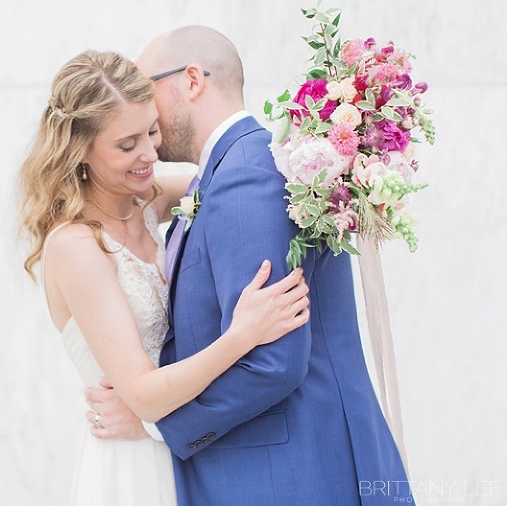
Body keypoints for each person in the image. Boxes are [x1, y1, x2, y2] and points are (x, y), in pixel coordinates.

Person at [86, 26, 415, 505]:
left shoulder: (246, 178)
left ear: (191, 80)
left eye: (144, 85)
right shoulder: (228, 171)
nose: (141, 107)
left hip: (291, 478)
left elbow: (271, 362)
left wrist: (155, 422)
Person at [18, 49, 311, 506]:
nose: (150, 154)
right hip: (130, 460)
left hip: (180, 450)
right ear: (80, 151)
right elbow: (143, 395)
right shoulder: (77, 246)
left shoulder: (148, 202)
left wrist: (333, 164)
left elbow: (232, 179)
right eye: (126, 144)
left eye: (151, 131)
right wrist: (242, 335)